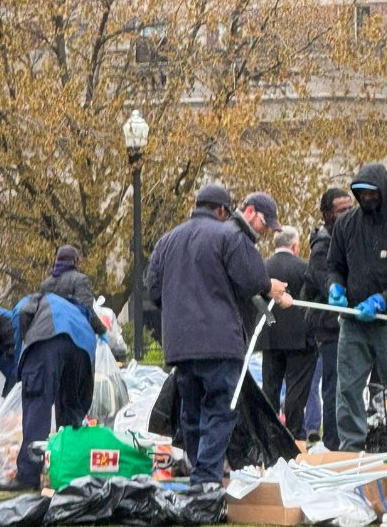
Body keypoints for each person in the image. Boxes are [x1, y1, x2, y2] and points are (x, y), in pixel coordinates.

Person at [146, 184, 289, 491]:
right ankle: (207, 480)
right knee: (219, 410)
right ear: (224, 210)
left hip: (180, 345)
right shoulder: (230, 237)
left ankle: (200, 476)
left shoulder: (167, 241)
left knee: (192, 411)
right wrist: (271, 287)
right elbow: (252, 279)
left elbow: (153, 289)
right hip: (220, 342)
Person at [327, 163, 387, 451]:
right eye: (362, 193)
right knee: (348, 391)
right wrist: (335, 286)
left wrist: (383, 299)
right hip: (354, 323)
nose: (368, 198)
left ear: (383, 192)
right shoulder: (346, 225)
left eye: (373, 193)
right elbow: (334, 266)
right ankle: (351, 450)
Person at [0, 291, 97, 492]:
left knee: (37, 406)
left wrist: (20, 360)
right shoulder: (77, 309)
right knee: (72, 412)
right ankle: (72, 471)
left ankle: (28, 474)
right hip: (82, 349)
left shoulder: (33, 299)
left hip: (47, 342)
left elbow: (20, 315)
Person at [300, 187, 353, 450]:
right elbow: (325, 282)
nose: (348, 213)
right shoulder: (322, 247)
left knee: (348, 388)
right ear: (327, 214)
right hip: (331, 328)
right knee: (333, 387)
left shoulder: (349, 239)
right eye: (341, 210)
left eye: (350, 207)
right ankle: (333, 443)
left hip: (348, 325)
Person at [258, 225, 317, 441]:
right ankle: (294, 433)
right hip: (300, 339)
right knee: (296, 388)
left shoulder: (262, 269)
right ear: (295, 245)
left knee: (270, 388)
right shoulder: (304, 267)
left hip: (270, 338)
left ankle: (270, 434)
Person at [38, 244, 107, 337]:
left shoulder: (45, 283)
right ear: (74, 261)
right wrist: (102, 331)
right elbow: (86, 310)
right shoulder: (80, 279)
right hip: (73, 335)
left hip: (47, 334)